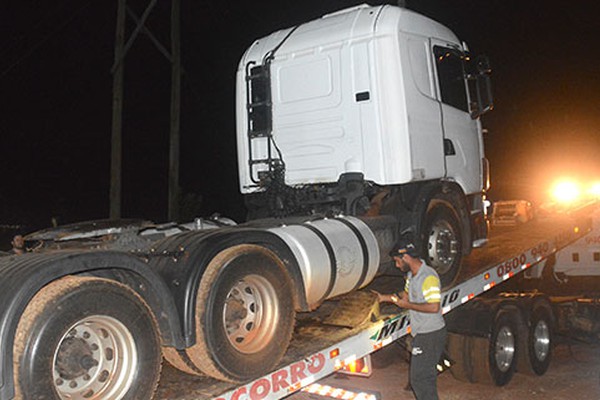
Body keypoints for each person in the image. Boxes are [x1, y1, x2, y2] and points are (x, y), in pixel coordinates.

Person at [372, 238, 446, 400]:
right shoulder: (411, 276)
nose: (397, 265)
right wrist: (383, 298)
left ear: (406, 257)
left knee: (420, 379)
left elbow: (434, 307)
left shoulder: (428, 277)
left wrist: (408, 305)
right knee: (423, 377)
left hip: (431, 334)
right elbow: (403, 297)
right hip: (422, 333)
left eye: (397, 261)